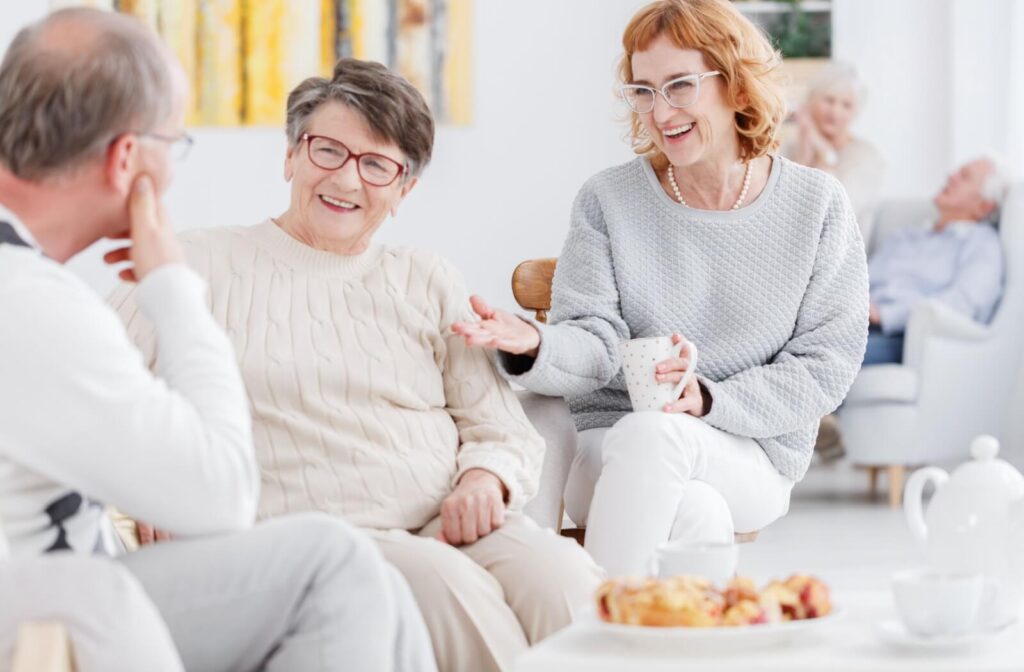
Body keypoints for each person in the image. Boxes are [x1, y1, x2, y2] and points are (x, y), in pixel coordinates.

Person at [110, 57, 602, 672]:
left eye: (376, 165)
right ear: (291, 155)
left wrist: (486, 479)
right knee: (445, 586)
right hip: (316, 541)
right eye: (328, 152)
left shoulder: (427, 278)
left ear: (403, 190)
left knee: (564, 576)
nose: (347, 180)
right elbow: (97, 395)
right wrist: (151, 490)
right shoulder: (196, 263)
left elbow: (500, 428)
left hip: (446, 520)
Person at [0, 9, 434, 672]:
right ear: (126, 159)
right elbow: (224, 494)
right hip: (38, 619)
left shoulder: (30, 291)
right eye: (173, 144)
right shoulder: (33, 306)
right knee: (335, 562)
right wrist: (173, 287)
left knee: (383, 592)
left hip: (63, 592)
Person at [451, 0, 869, 577]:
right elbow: (593, 340)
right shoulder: (609, 200)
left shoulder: (817, 206)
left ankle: (585, 633)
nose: (659, 110)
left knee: (659, 437)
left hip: (752, 452)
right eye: (643, 90)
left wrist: (709, 399)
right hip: (609, 444)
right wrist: (535, 343)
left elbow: (826, 364)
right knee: (695, 509)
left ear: (738, 87)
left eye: (679, 85)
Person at [864, 156, 1006, 365]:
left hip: (903, 336)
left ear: (983, 206)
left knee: (818, 359)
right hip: (855, 323)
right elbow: (861, 281)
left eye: (964, 177)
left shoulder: (982, 244)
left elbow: (962, 305)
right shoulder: (904, 236)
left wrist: (883, 314)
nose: (951, 177)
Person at [782, 61, 885, 240]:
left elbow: (832, 214)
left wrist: (819, 145)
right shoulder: (791, 148)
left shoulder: (866, 156)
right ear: (811, 101)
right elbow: (784, 207)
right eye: (829, 100)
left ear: (855, 112)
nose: (835, 112)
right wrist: (805, 150)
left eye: (846, 105)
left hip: (842, 254)